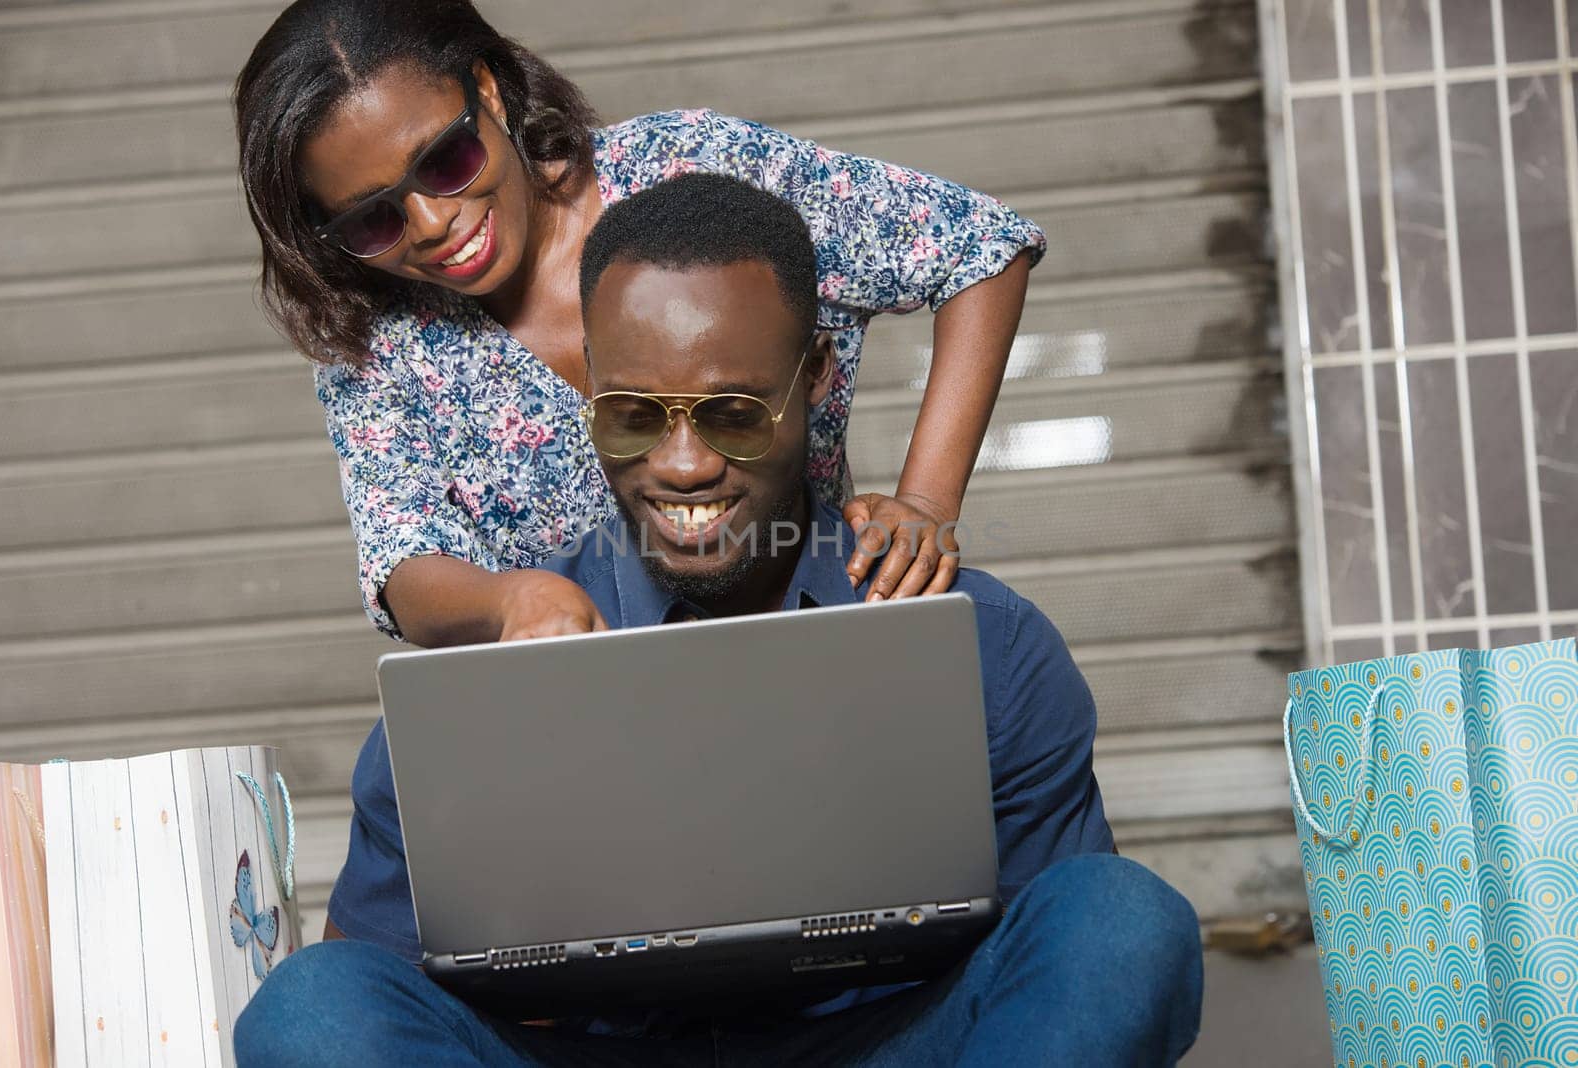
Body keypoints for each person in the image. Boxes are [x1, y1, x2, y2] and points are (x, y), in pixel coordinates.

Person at [235, 175, 1204, 1067]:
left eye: (734, 412)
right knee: (311, 1008)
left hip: (887, 1044)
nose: (685, 464)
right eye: (634, 416)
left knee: (1120, 920)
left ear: (815, 375)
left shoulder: (978, 642)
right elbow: (373, 994)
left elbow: (1058, 949)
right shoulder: (489, 677)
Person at [234, 0, 1043, 648]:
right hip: (598, 719)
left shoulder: (692, 171)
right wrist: (509, 599)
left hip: (818, 645)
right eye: (373, 220)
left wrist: (928, 500)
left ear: (487, 92)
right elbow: (404, 571)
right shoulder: (379, 346)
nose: (432, 223)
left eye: (446, 163)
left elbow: (977, 248)